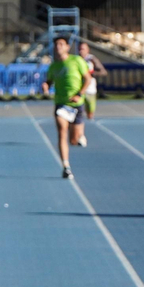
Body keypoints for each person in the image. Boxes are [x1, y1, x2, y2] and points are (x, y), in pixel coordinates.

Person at [42, 34, 91, 179]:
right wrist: (45, 86)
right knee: (61, 130)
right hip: (61, 103)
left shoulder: (77, 61)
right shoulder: (53, 66)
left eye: (61, 44)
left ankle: (80, 135)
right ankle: (66, 166)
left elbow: (88, 79)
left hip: (76, 104)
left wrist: (79, 94)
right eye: (56, 45)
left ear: (67, 47)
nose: (58, 47)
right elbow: (49, 81)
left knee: (73, 141)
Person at [76, 40, 107, 144]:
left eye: (83, 49)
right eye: (79, 49)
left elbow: (103, 72)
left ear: (87, 50)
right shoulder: (75, 60)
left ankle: (91, 133)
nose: (81, 51)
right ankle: (80, 135)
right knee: (78, 111)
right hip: (78, 89)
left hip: (90, 89)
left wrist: (92, 73)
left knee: (90, 113)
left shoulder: (92, 59)